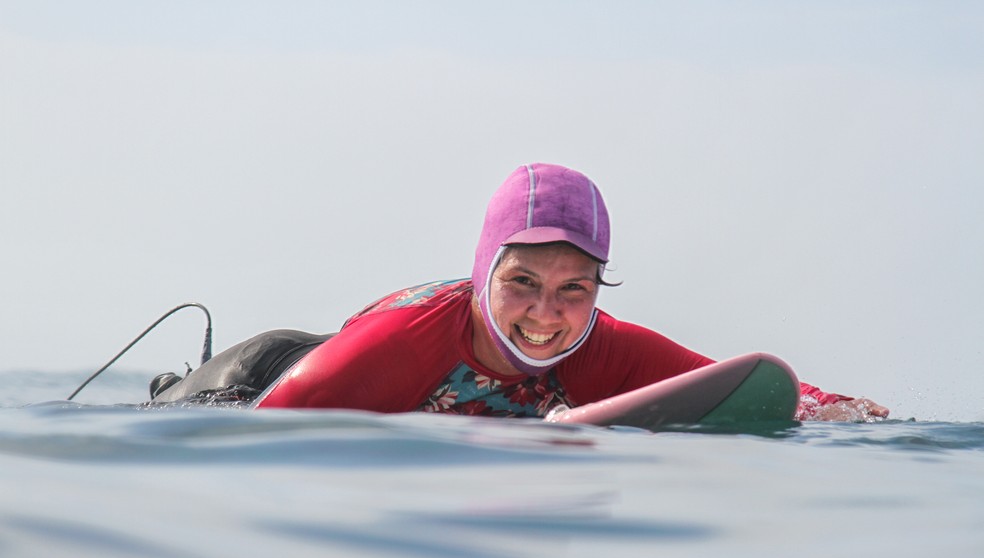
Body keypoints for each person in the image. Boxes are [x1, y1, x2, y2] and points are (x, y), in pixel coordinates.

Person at [252, 163, 888, 421]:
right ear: (482, 274)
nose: (546, 313)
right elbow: (253, 455)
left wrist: (838, 411)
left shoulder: (606, 349)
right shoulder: (389, 352)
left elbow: (757, 389)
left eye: (574, 289)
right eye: (521, 281)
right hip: (274, 369)